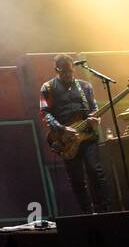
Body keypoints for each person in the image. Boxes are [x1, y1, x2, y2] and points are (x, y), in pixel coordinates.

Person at [39, 54, 113, 214]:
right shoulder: (47, 88)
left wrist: (95, 118)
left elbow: (94, 107)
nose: (68, 75)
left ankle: (104, 209)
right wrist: (61, 128)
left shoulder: (85, 86)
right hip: (66, 138)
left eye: (70, 71)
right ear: (56, 70)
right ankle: (86, 211)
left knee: (95, 170)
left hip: (87, 135)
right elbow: (45, 113)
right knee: (76, 177)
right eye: (64, 72)